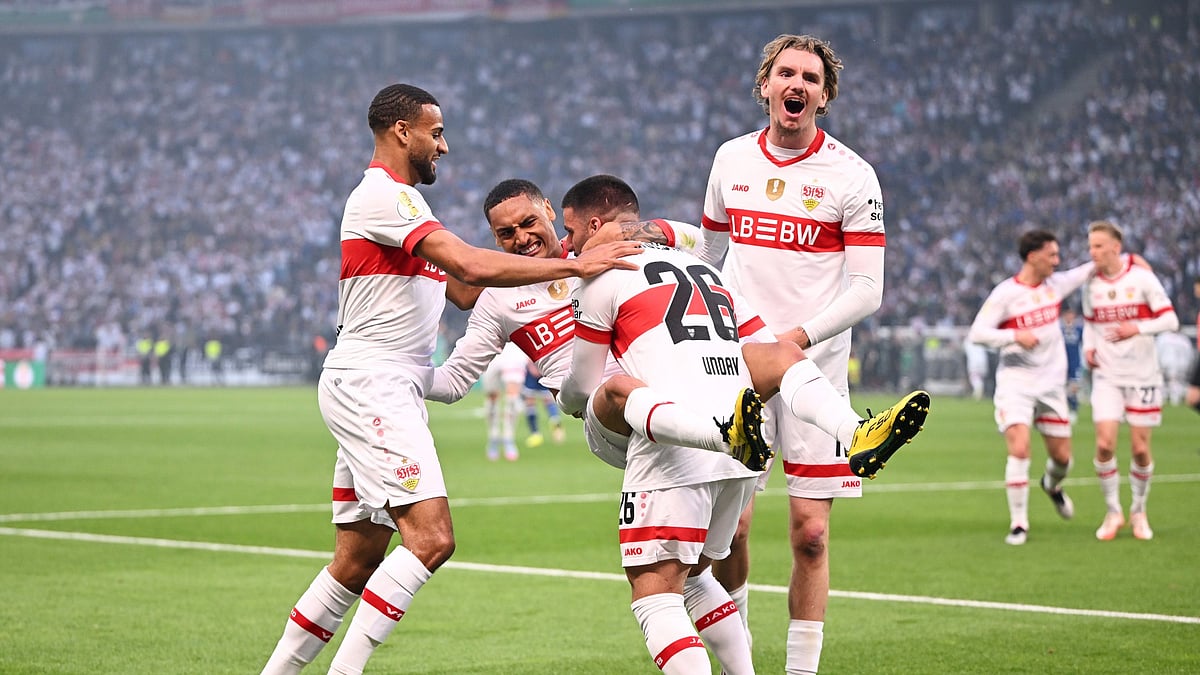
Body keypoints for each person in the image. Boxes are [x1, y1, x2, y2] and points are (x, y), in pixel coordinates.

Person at [259, 84, 642, 675]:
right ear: (403, 131)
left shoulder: (406, 208)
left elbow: (464, 287)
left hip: (385, 384)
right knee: (432, 539)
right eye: (436, 132)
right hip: (374, 384)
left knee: (356, 561)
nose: (445, 144)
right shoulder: (387, 197)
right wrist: (574, 262)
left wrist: (556, 253)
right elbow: (465, 265)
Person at [697, 34, 889, 672]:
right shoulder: (730, 160)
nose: (796, 85)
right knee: (732, 533)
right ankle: (738, 660)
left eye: (810, 77)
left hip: (815, 371)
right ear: (765, 86)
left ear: (824, 96)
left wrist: (798, 339)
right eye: (786, 74)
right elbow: (709, 255)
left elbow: (868, 289)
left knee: (810, 536)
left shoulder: (852, 175)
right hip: (738, 364)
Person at [968, 230, 1098, 545]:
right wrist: (1014, 336)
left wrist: (1129, 260)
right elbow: (978, 333)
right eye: (1051, 255)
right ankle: (1019, 524)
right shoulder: (1005, 294)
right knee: (1020, 448)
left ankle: (1051, 486)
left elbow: (1087, 270)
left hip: (1052, 385)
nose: (1057, 261)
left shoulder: (1056, 285)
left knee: (1063, 459)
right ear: (1032, 256)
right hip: (1016, 383)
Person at [1083, 220, 1179, 541]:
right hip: (1107, 375)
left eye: (1097, 246)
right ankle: (1113, 511)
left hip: (1142, 375)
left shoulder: (1141, 278)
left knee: (1140, 449)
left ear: (1115, 247)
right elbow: (1089, 322)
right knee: (1104, 444)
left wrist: (1137, 328)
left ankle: (1139, 509)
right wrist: (1089, 348)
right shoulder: (1090, 284)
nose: (1092, 252)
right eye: (1090, 246)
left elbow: (1170, 318)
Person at [480, 341, 527, 461]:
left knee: (512, 397)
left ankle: (508, 438)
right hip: (492, 343)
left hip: (514, 345)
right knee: (492, 396)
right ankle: (493, 436)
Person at [521, 360, 566, 447]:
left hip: (539, 367)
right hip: (542, 367)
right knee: (542, 400)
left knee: (534, 400)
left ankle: (536, 433)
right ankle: (553, 425)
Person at [1061, 306, 1084, 420]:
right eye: (1067, 314)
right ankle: (1064, 409)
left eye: (1071, 314)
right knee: (1062, 388)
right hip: (1062, 363)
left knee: (1073, 388)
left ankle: (1074, 409)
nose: (1069, 316)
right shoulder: (1060, 329)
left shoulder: (1079, 329)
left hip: (1075, 363)